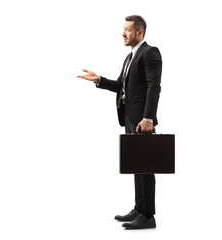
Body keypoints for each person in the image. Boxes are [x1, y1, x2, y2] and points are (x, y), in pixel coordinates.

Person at [77, 15, 162, 230]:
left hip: (143, 121)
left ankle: (148, 216)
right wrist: (98, 80)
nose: (123, 33)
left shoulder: (150, 52)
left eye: (127, 30)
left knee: (146, 168)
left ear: (140, 32)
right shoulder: (130, 57)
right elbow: (121, 86)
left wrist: (148, 117)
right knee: (136, 165)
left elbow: (154, 86)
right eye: (123, 29)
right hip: (129, 118)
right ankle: (139, 208)